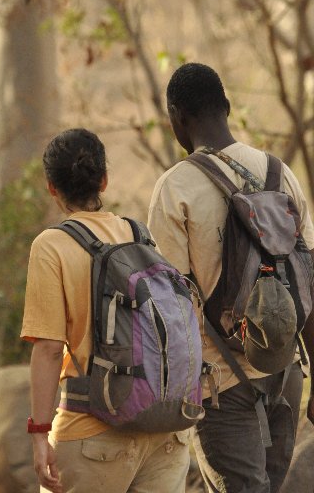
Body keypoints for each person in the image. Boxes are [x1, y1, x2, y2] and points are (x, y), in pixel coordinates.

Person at [148, 62, 314, 493]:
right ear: (226, 106)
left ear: (176, 118)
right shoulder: (280, 174)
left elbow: (172, 308)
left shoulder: (175, 188)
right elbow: (308, 281)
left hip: (221, 383)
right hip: (286, 370)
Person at [20, 128, 190, 493]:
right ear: (104, 180)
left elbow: (49, 349)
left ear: (51, 187)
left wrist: (39, 435)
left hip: (91, 436)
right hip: (165, 432)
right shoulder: (139, 235)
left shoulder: (52, 245)